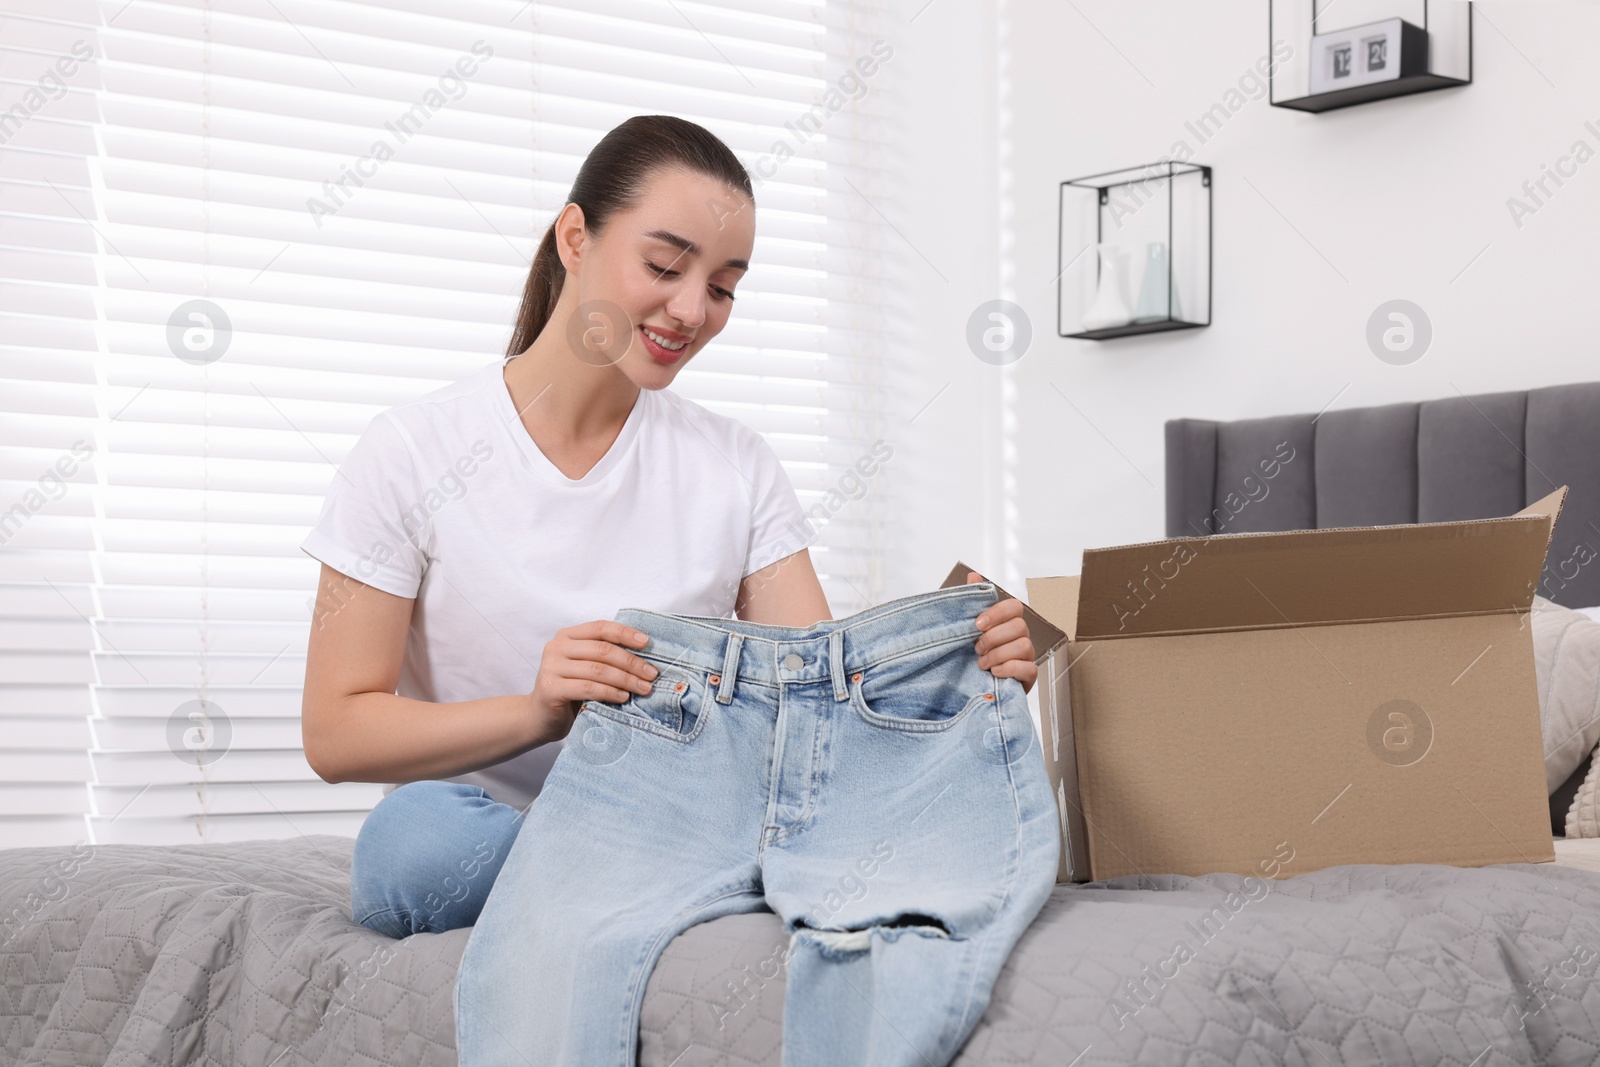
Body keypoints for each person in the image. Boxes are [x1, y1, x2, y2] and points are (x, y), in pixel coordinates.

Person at [298, 114, 1039, 941]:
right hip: (484, 827)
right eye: (663, 265)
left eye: (723, 287)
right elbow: (336, 730)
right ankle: (679, 889)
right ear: (574, 237)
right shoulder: (410, 450)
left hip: (673, 814)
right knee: (415, 851)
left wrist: (959, 667)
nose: (692, 309)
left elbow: (820, 711)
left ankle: (645, 882)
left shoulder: (736, 466)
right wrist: (540, 709)